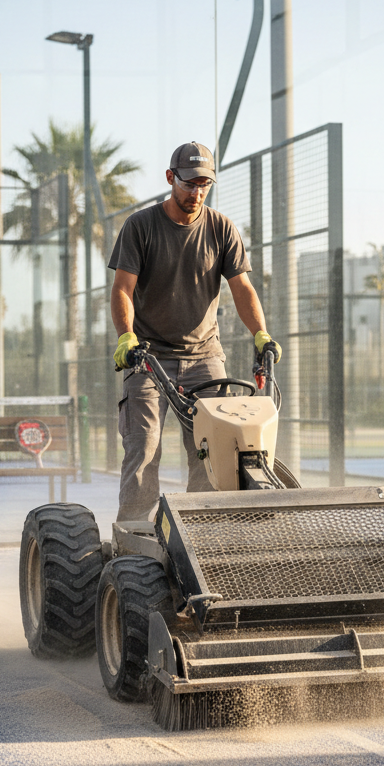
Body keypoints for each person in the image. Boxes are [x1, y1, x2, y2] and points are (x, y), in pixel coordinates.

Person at [109, 141, 281, 522]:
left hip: (205, 357)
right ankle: (133, 536)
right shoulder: (142, 226)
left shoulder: (221, 228)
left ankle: (199, 532)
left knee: (214, 449)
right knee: (145, 446)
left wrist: (261, 334)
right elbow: (122, 288)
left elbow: (242, 289)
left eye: (204, 184)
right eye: (189, 184)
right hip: (148, 359)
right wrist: (127, 338)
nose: (196, 192)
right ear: (171, 178)